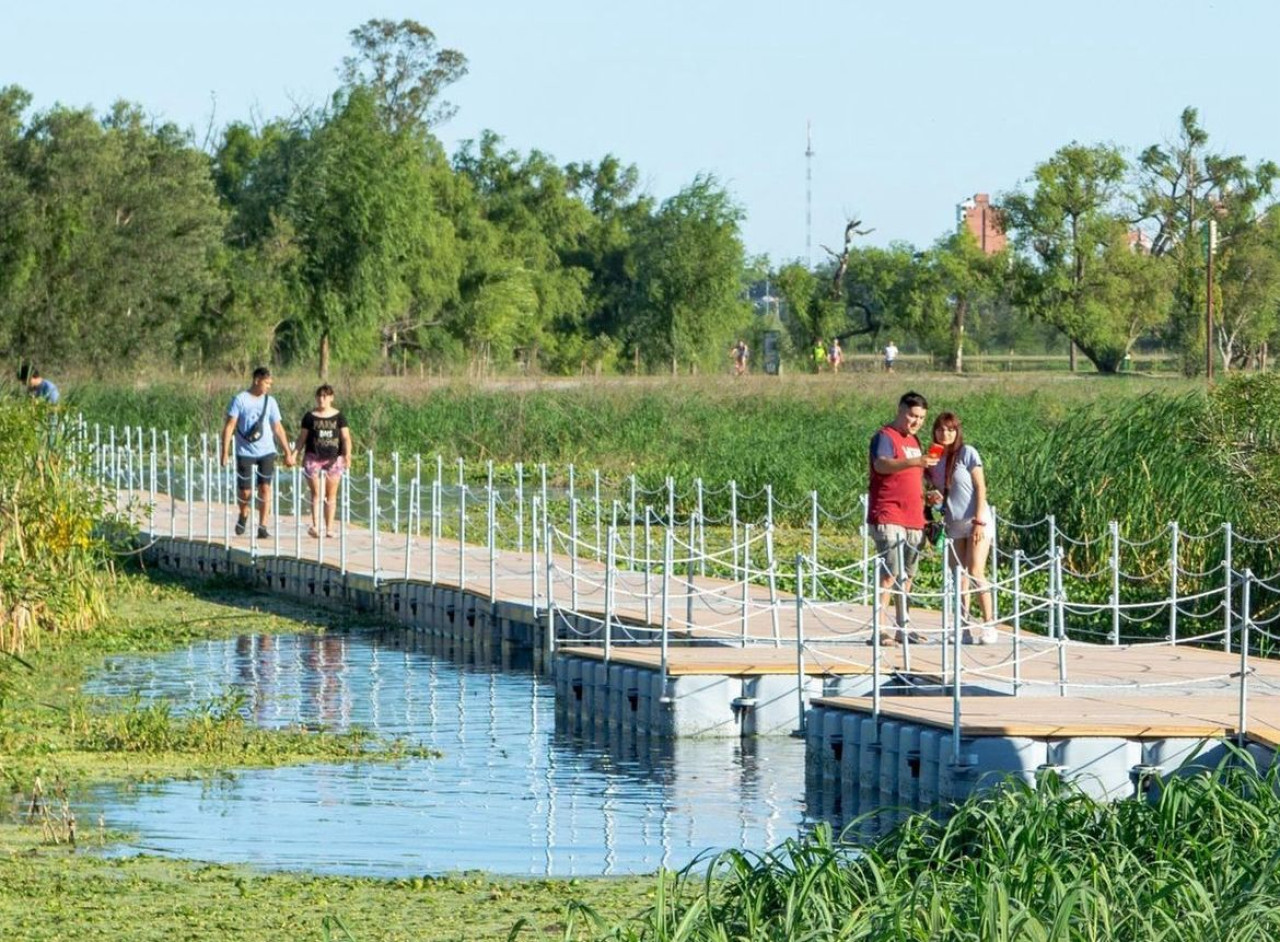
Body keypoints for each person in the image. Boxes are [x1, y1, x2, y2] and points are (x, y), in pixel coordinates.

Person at [867, 391, 938, 641]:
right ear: (900, 410)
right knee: (890, 573)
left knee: (907, 575)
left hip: (914, 517)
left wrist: (928, 496)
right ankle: (880, 629)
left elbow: (915, 477)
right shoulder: (885, 437)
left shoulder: (915, 442)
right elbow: (882, 464)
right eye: (912, 415)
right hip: (889, 514)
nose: (916, 421)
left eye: (921, 417)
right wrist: (915, 462)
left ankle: (903, 627)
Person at [926, 412, 996, 643]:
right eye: (940, 429)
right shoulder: (933, 458)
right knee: (959, 576)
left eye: (950, 429)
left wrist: (978, 521)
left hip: (976, 519)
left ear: (957, 431)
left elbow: (980, 487)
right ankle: (963, 627)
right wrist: (931, 498)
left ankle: (989, 624)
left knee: (976, 571)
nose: (945, 434)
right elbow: (930, 488)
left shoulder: (967, 453)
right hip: (953, 522)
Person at [220, 366, 295, 539]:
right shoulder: (240, 400)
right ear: (256, 380)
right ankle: (244, 513)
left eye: (270, 383)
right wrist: (225, 452)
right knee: (245, 491)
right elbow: (230, 426)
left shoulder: (271, 402)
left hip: (267, 451)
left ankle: (262, 526)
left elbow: (278, 427)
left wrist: (287, 451)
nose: (269, 386)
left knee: (265, 488)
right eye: (266, 382)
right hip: (244, 451)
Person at [293, 384, 353, 538]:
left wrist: (348, 455)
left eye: (325, 396)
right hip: (313, 457)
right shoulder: (309, 417)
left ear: (331, 398)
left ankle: (329, 528)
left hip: (333, 458)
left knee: (331, 494)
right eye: (319, 396)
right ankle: (315, 526)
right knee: (316, 493)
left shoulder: (339, 417)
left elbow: (346, 437)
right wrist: (294, 454)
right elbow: (302, 438)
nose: (322, 399)